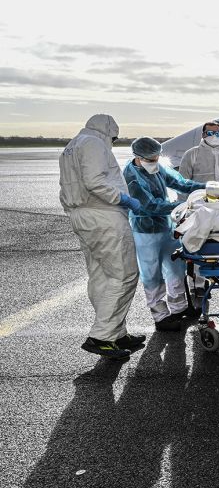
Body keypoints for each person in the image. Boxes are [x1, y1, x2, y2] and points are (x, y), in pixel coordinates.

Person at [59, 114, 145, 359]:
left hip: (82, 215)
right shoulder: (94, 144)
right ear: (108, 131)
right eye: (114, 138)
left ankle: (116, 333)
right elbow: (95, 182)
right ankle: (102, 336)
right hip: (103, 215)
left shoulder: (71, 146)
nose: (113, 142)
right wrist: (124, 199)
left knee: (101, 275)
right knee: (124, 274)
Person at [124, 137, 206, 331]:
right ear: (138, 157)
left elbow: (181, 183)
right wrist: (182, 206)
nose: (155, 162)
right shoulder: (132, 178)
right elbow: (150, 206)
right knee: (152, 274)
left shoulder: (158, 168)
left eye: (157, 158)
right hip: (145, 231)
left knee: (175, 266)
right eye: (151, 159)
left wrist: (207, 187)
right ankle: (160, 316)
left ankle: (179, 307)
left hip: (165, 227)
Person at [178, 121, 219, 296]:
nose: (214, 136)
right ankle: (198, 284)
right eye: (211, 133)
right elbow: (182, 184)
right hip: (200, 210)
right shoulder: (192, 155)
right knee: (198, 243)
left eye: (218, 133)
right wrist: (185, 210)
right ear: (203, 134)